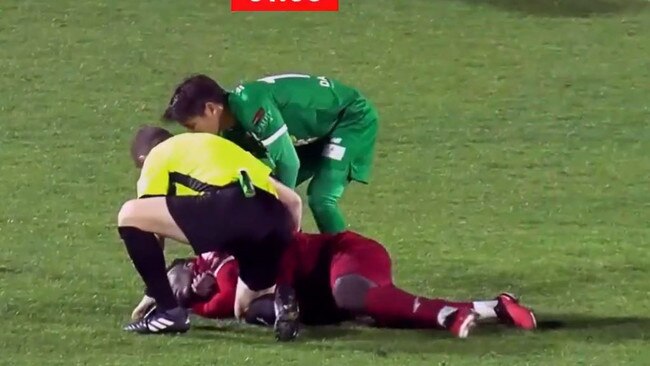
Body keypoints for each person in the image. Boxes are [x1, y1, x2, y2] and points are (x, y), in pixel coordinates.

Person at [144, 231, 537, 339]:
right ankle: (493, 306)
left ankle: (450, 314)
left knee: (353, 294)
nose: (184, 286)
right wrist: (194, 297)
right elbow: (228, 301)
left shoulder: (215, 244)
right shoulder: (210, 302)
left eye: (176, 279)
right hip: (314, 295)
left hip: (341, 254)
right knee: (379, 312)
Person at [117, 125, 301, 341]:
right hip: (274, 219)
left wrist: (155, 293)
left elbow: (149, 227)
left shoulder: (157, 155)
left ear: (143, 157)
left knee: (129, 214)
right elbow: (293, 201)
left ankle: (168, 313)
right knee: (244, 308)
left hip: (230, 208)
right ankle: (281, 304)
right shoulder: (214, 145)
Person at [161, 73, 379, 234]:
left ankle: (350, 262)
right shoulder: (229, 129)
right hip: (317, 132)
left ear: (211, 109)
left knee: (321, 198)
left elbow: (289, 163)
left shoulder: (249, 104)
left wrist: (281, 211)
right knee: (269, 190)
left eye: (192, 125)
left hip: (350, 119)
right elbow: (253, 174)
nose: (192, 134)